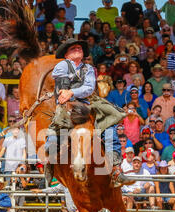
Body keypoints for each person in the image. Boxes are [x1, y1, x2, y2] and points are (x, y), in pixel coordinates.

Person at [48, 38, 127, 187]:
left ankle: (115, 167)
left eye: (79, 47)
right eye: (73, 48)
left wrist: (72, 91)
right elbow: (63, 91)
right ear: (66, 54)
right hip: (67, 105)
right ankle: (50, 163)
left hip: (89, 103)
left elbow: (89, 88)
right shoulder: (61, 66)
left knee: (109, 125)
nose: (78, 49)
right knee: (57, 126)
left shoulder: (89, 68)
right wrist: (70, 94)